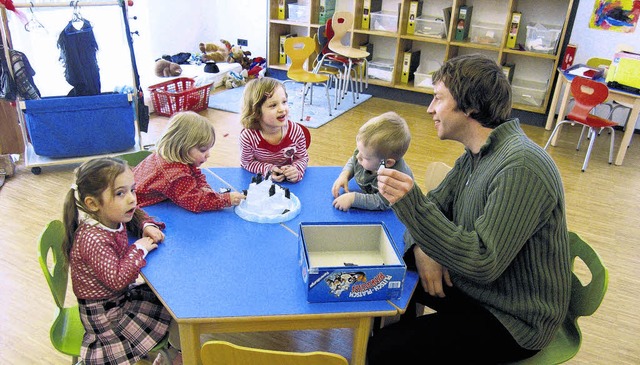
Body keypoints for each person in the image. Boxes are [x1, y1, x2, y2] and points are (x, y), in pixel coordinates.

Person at [370, 54, 572, 364]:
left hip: (515, 317)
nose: (430, 109)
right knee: (386, 281)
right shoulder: (477, 155)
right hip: (480, 289)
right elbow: (434, 207)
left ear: (470, 107)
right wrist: (424, 249)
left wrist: (412, 207)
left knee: (385, 350)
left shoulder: (521, 166)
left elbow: (482, 260)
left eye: (438, 98)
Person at [61, 157, 181, 365]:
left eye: (132, 190)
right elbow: (118, 279)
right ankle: (173, 352)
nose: (132, 199)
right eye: (120, 193)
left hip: (116, 298)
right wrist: (139, 248)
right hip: (106, 316)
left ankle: (172, 350)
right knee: (167, 305)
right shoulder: (93, 238)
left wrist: (145, 225)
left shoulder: (108, 215)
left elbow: (135, 214)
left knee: (169, 301)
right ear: (92, 203)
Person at [133, 111, 245, 212]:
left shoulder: (173, 156)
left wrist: (204, 188)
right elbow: (196, 202)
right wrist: (226, 199)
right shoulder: (176, 175)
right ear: (182, 146)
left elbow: (195, 173)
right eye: (203, 150)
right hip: (134, 208)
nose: (208, 155)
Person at [331, 111, 413, 211]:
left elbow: (382, 202)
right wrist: (345, 175)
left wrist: (353, 199)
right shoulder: (367, 153)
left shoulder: (394, 179)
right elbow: (353, 161)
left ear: (387, 163)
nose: (358, 156)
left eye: (365, 157)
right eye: (359, 151)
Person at [239, 77, 309, 183]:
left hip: (289, 183)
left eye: (284, 102)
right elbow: (247, 163)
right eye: (273, 105)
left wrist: (296, 171)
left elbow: (302, 158)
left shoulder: (296, 131)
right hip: (262, 184)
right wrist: (268, 170)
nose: (282, 109)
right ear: (256, 112)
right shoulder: (248, 137)